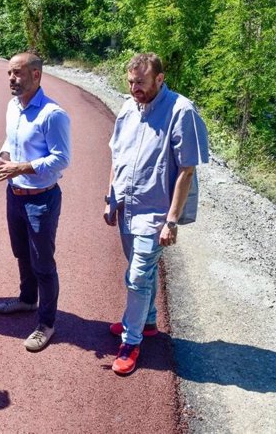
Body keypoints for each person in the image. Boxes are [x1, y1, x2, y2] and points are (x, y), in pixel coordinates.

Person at [104, 53, 209, 374]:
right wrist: (110, 197)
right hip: (128, 206)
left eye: (141, 83)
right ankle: (148, 322)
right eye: (131, 82)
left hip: (157, 213)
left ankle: (130, 341)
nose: (135, 88)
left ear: (160, 79)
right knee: (139, 271)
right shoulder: (127, 108)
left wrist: (172, 221)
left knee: (136, 277)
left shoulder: (181, 111)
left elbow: (187, 169)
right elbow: (117, 155)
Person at [0, 52, 71, 352]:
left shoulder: (53, 114)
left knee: (43, 264)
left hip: (41, 200)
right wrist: (3, 158)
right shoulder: (13, 106)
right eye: (9, 73)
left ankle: (46, 323)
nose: (12, 78)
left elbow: (61, 159)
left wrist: (19, 168)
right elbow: (12, 142)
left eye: (18, 73)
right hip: (15, 194)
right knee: (22, 253)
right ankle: (26, 299)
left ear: (36, 75)